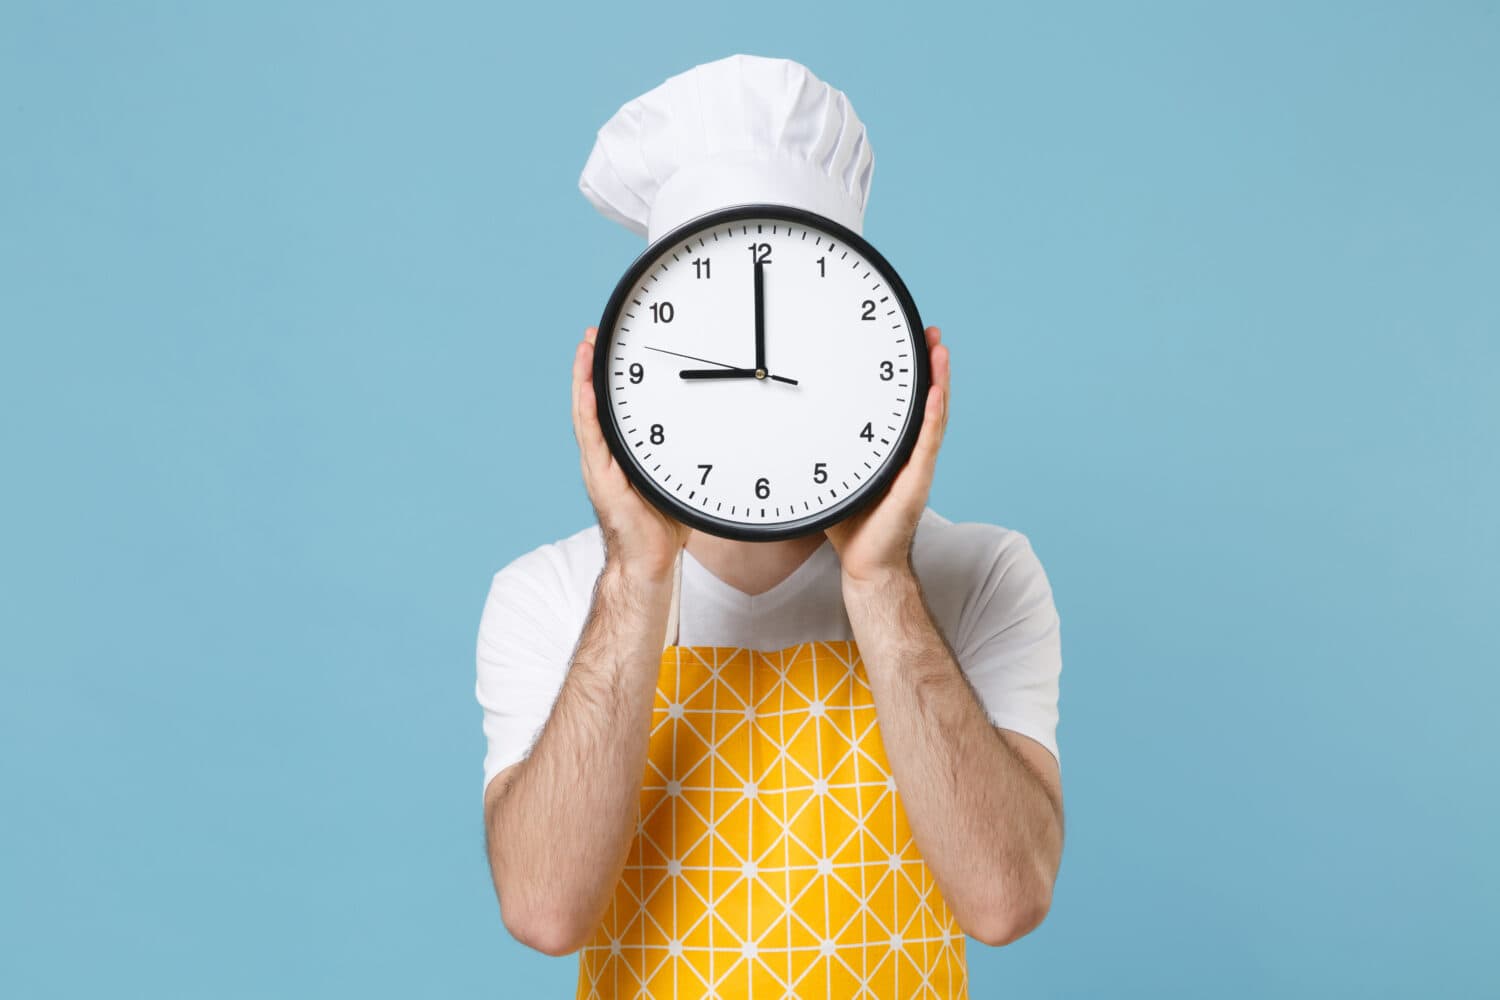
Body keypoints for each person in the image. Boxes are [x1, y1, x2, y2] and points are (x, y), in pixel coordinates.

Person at [477, 55, 1064, 999]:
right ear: (624, 377)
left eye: (807, 337)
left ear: (892, 365)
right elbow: (545, 914)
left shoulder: (981, 573)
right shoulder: (549, 595)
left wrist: (881, 583)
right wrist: (636, 576)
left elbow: (1005, 903)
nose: (765, 381)